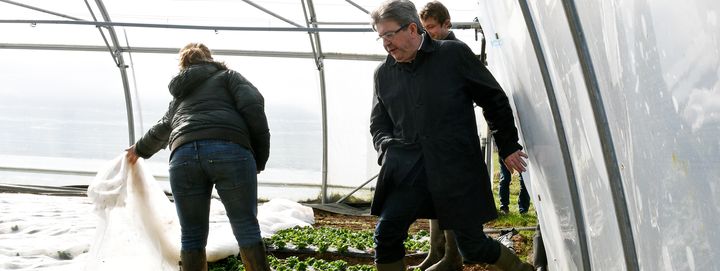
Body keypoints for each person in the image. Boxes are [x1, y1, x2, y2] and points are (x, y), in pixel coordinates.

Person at [369, 1, 533, 271]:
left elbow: (493, 98)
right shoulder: (384, 73)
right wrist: (388, 149)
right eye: (380, 36)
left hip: (455, 169)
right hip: (408, 170)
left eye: (389, 34)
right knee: (386, 234)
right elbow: (379, 124)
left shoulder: (453, 55)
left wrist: (508, 145)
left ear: (412, 28)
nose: (385, 43)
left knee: (473, 246)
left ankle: (522, 270)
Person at [125, 43, 271, 271]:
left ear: (183, 65)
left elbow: (163, 127)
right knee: (246, 227)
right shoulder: (229, 77)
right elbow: (253, 107)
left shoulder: (179, 97)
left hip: (182, 158)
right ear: (209, 59)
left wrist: (139, 149)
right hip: (229, 150)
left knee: (192, 235)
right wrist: (259, 157)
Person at [407, 2, 462, 271]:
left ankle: (453, 256)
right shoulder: (428, 51)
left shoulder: (455, 51)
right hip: (432, 137)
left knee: (448, 197)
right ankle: (435, 251)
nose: (428, 33)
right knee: (434, 196)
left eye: (432, 27)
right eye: (424, 28)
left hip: (450, 137)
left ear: (446, 24)